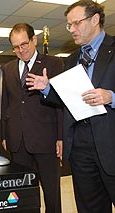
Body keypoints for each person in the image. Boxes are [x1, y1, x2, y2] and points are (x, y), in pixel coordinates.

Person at [26, 0, 115, 212]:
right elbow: (70, 98)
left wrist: (111, 96)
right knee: (89, 206)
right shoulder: (73, 58)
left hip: (110, 143)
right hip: (79, 146)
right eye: (69, 25)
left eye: (76, 23)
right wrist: (47, 89)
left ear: (95, 20)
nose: (72, 30)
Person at [1, 23, 64, 213]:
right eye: (15, 47)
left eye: (24, 44)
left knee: (51, 191)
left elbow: (61, 103)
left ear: (34, 40)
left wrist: (61, 136)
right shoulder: (8, 68)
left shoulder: (53, 64)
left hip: (46, 139)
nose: (20, 50)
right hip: (17, 140)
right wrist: (4, 134)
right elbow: (6, 104)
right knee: (22, 193)